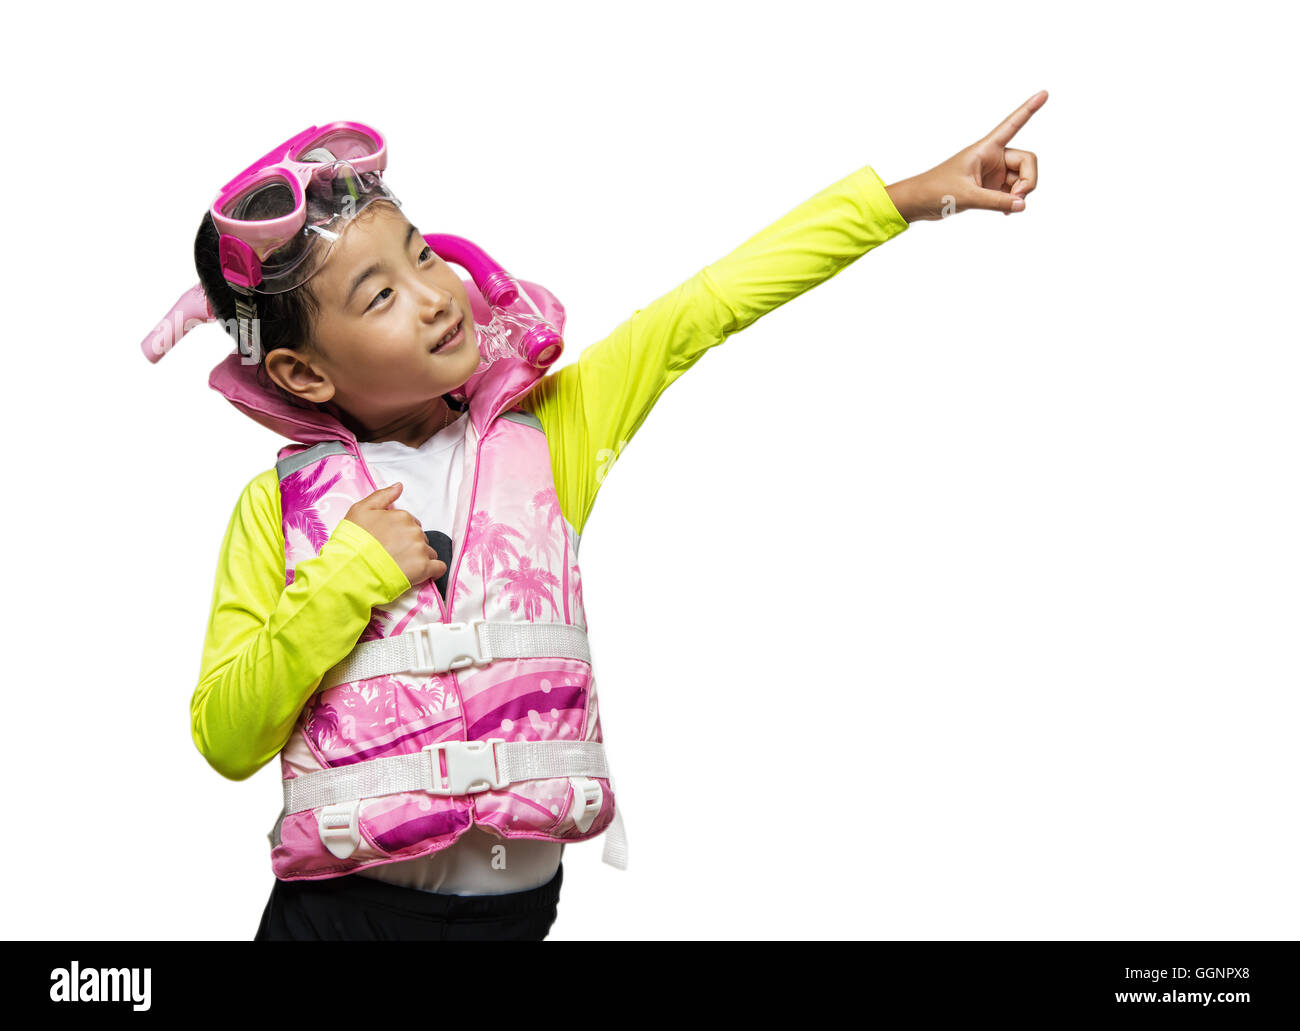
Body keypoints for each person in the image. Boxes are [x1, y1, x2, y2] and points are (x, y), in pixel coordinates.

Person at [173, 92, 1046, 941]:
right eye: (380, 296)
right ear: (301, 375)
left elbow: (704, 307)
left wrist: (908, 197)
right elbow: (227, 735)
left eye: (422, 256)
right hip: (341, 923)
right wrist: (348, 577)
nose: (435, 295)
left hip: (514, 921)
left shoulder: (552, 433)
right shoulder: (279, 511)